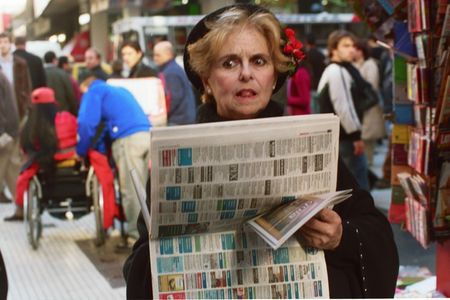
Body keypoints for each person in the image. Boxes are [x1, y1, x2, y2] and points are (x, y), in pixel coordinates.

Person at [123, 4, 399, 299]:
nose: (246, 74)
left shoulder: (312, 143)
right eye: (229, 63)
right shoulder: (177, 157)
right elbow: (138, 269)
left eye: (258, 61)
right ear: (207, 79)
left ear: (274, 73)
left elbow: (375, 234)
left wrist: (339, 236)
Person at [77, 76, 151, 241]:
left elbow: (86, 123)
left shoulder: (94, 90)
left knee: (131, 190)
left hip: (128, 140)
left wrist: (81, 151)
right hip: (147, 135)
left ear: (86, 86)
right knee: (145, 190)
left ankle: (136, 237)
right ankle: (148, 231)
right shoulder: (119, 90)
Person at [4, 87, 74, 221]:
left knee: (24, 174)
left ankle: (20, 209)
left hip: (43, 163)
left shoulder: (30, 125)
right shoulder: (66, 118)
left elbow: (25, 148)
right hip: (70, 159)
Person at [317, 30, 370, 190]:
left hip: (340, 138)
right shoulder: (336, 71)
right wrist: (356, 136)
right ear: (334, 49)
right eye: (346, 46)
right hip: (345, 139)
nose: (351, 49)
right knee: (356, 186)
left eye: (353, 46)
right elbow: (344, 107)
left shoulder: (338, 70)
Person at [353, 39, 386, 167]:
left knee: (367, 139)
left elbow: (372, 85)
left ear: (361, 51)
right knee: (364, 138)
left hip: (369, 107)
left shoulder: (370, 64)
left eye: (355, 49)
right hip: (360, 107)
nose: (352, 52)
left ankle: (368, 164)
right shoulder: (355, 64)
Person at [153, 41, 196, 125]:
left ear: (168, 54)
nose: (155, 58)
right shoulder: (173, 68)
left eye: (158, 55)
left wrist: (162, 115)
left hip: (179, 121)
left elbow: (172, 99)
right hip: (183, 118)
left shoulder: (170, 73)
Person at [0, 70, 21, 211]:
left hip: (5, 132)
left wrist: (1, 133)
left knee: (10, 169)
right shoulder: (3, 77)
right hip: (10, 130)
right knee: (12, 170)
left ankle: (22, 207)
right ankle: (22, 208)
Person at [43, 51, 78, 115]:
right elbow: (70, 93)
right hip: (63, 111)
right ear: (54, 60)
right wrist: (74, 111)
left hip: (46, 112)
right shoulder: (62, 73)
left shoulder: (40, 74)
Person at [305, 34, 326, 113]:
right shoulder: (321, 55)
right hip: (320, 85)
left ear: (307, 42)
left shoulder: (307, 56)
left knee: (313, 112)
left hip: (311, 86)